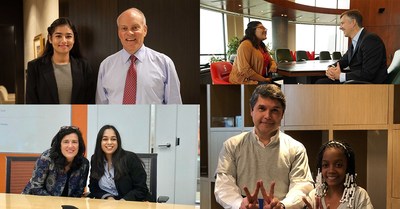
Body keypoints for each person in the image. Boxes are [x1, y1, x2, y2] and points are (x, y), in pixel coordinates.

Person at [214, 84, 314, 209]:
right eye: (262, 108)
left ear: (282, 114)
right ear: (251, 110)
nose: (268, 116)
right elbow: (223, 185)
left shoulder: (296, 148)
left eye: (275, 110)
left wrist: (283, 205)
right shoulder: (232, 145)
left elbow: (302, 185)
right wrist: (239, 204)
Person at [96, 8, 182, 104]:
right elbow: (101, 107)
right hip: (115, 119)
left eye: (135, 28)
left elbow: (175, 107)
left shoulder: (164, 63)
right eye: (124, 28)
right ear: (118, 32)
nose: (129, 33)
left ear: (144, 30)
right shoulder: (106, 65)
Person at [26, 17, 95, 104]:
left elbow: (89, 102)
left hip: (77, 117)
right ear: (50, 39)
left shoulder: (84, 66)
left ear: (74, 39)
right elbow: (31, 103)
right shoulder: (35, 67)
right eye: (58, 36)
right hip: (46, 117)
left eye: (68, 36)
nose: (64, 40)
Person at [316, 9, 387, 84]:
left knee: (320, 83)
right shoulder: (355, 41)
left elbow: (368, 73)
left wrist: (340, 76)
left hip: (370, 87)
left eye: (342, 23)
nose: (340, 27)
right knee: (319, 81)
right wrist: (331, 68)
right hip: (357, 82)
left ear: (353, 23)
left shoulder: (370, 40)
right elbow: (344, 61)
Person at [303, 141, 374, 209]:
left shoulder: (359, 195)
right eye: (325, 165)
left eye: (338, 165)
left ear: (348, 167)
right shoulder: (314, 196)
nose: (331, 171)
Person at [22, 126, 89, 197]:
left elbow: (78, 192)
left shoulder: (84, 164)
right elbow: (36, 188)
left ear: (79, 145)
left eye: (74, 142)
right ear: (59, 144)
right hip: (34, 201)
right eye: (66, 142)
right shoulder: (46, 158)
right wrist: (55, 204)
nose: (70, 146)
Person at [88, 125, 149, 201]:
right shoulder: (96, 159)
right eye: (105, 139)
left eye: (113, 139)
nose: (109, 142)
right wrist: (108, 197)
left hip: (131, 203)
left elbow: (141, 189)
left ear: (118, 141)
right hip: (107, 204)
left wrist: (122, 202)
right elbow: (93, 187)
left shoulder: (130, 158)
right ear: (99, 142)